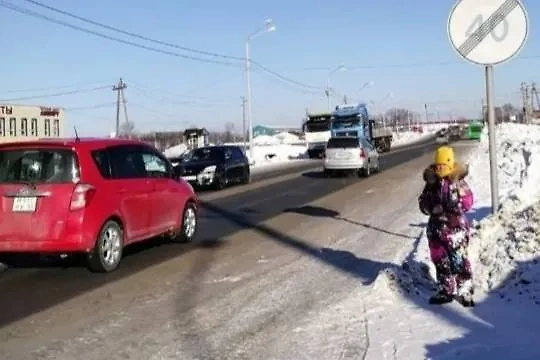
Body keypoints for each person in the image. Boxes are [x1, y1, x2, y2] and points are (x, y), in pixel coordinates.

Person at [418, 145, 475, 306]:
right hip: (436, 230)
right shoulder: (431, 183)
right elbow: (422, 204)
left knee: (459, 261)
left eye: (443, 165)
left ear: (450, 165)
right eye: (437, 165)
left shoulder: (457, 182)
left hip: (455, 229)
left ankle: (465, 290)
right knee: (440, 261)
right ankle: (446, 289)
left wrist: (454, 203)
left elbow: (469, 201)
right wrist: (430, 207)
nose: (440, 168)